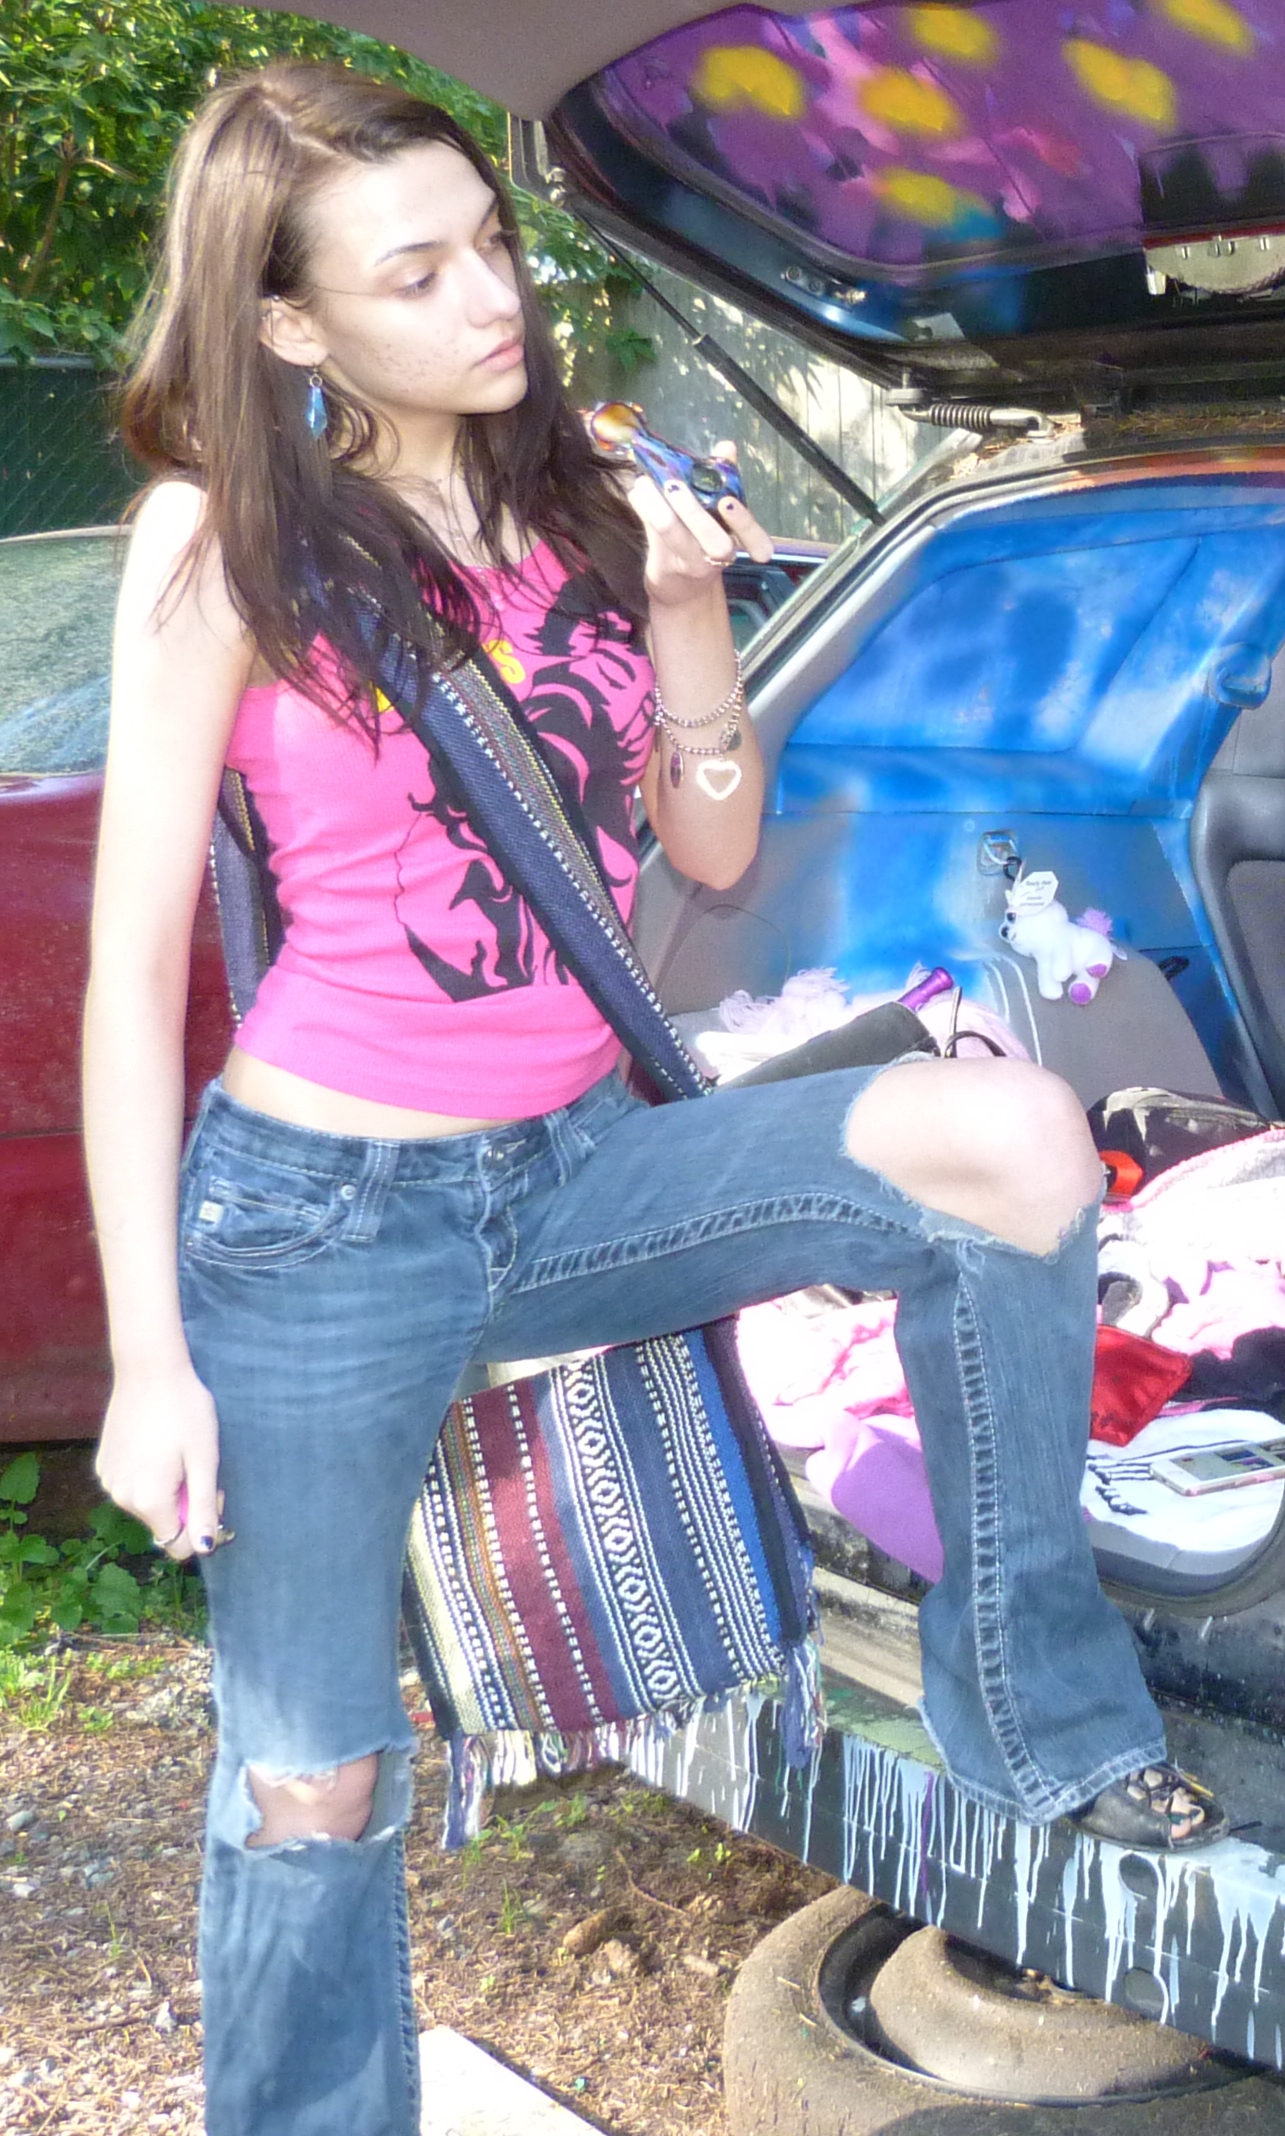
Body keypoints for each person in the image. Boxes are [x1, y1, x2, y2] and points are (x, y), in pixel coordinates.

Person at [84, 59, 1226, 2136]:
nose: (489, 299)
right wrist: (150, 1365)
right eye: (414, 275)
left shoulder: (576, 509)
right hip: (325, 1226)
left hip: (582, 1169)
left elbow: (707, 850)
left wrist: (688, 612)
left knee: (1009, 1140)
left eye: (490, 245)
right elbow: (124, 973)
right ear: (288, 324)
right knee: (311, 1774)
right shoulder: (222, 541)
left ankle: (1038, 1722)